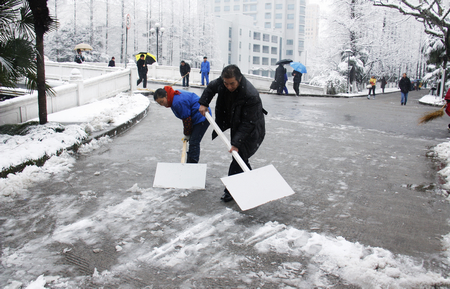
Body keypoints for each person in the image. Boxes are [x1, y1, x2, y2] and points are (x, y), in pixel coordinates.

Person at [198, 65, 267, 203]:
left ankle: (230, 190)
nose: (228, 87)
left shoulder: (250, 94)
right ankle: (250, 181)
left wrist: (236, 143)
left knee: (239, 155)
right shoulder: (223, 82)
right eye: (226, 83)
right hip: (235, 121)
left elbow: (248, 123)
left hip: (252, 127)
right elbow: (211, 88)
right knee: (241, 157)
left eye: (232, 84)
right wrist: (204, 103)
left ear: (239, 79)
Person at [154, 86, 211, 163]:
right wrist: (188, 132)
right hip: (196, 116)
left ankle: (192, 164)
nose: (161, 104)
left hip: (202, 116)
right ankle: (190, 161)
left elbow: (186, 119)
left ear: (166, 96)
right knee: (193, 140)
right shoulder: (173, 96)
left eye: (161, 101)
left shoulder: (177, 102)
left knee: (194, 141)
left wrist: (187, 133)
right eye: (159, 103)